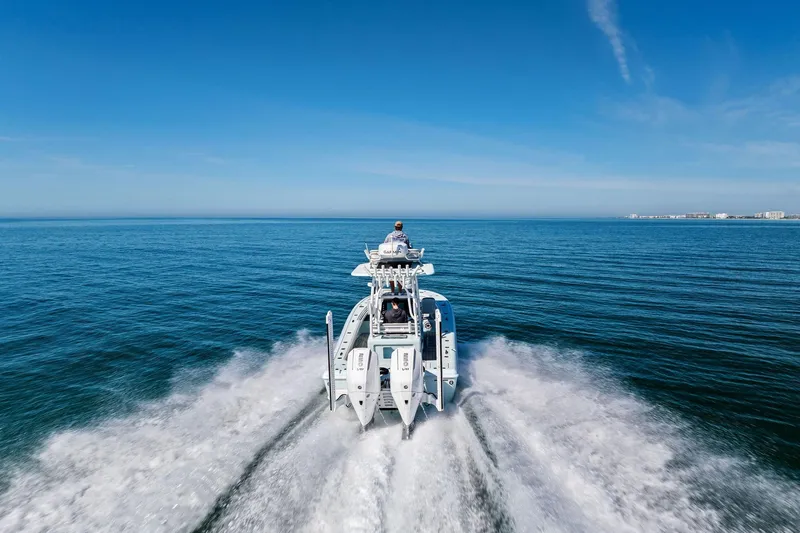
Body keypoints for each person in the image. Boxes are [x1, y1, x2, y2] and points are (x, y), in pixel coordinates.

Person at [384, 221, 411, 293]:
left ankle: (392, 291)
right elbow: (408, 248)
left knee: (391, 276)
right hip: (403, 261)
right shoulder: (405, 236)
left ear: (395, 227)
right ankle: (400, 291)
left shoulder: (389, 236)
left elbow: (384, 245)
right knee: (401, 276)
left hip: (390, 261)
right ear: (402, 227)